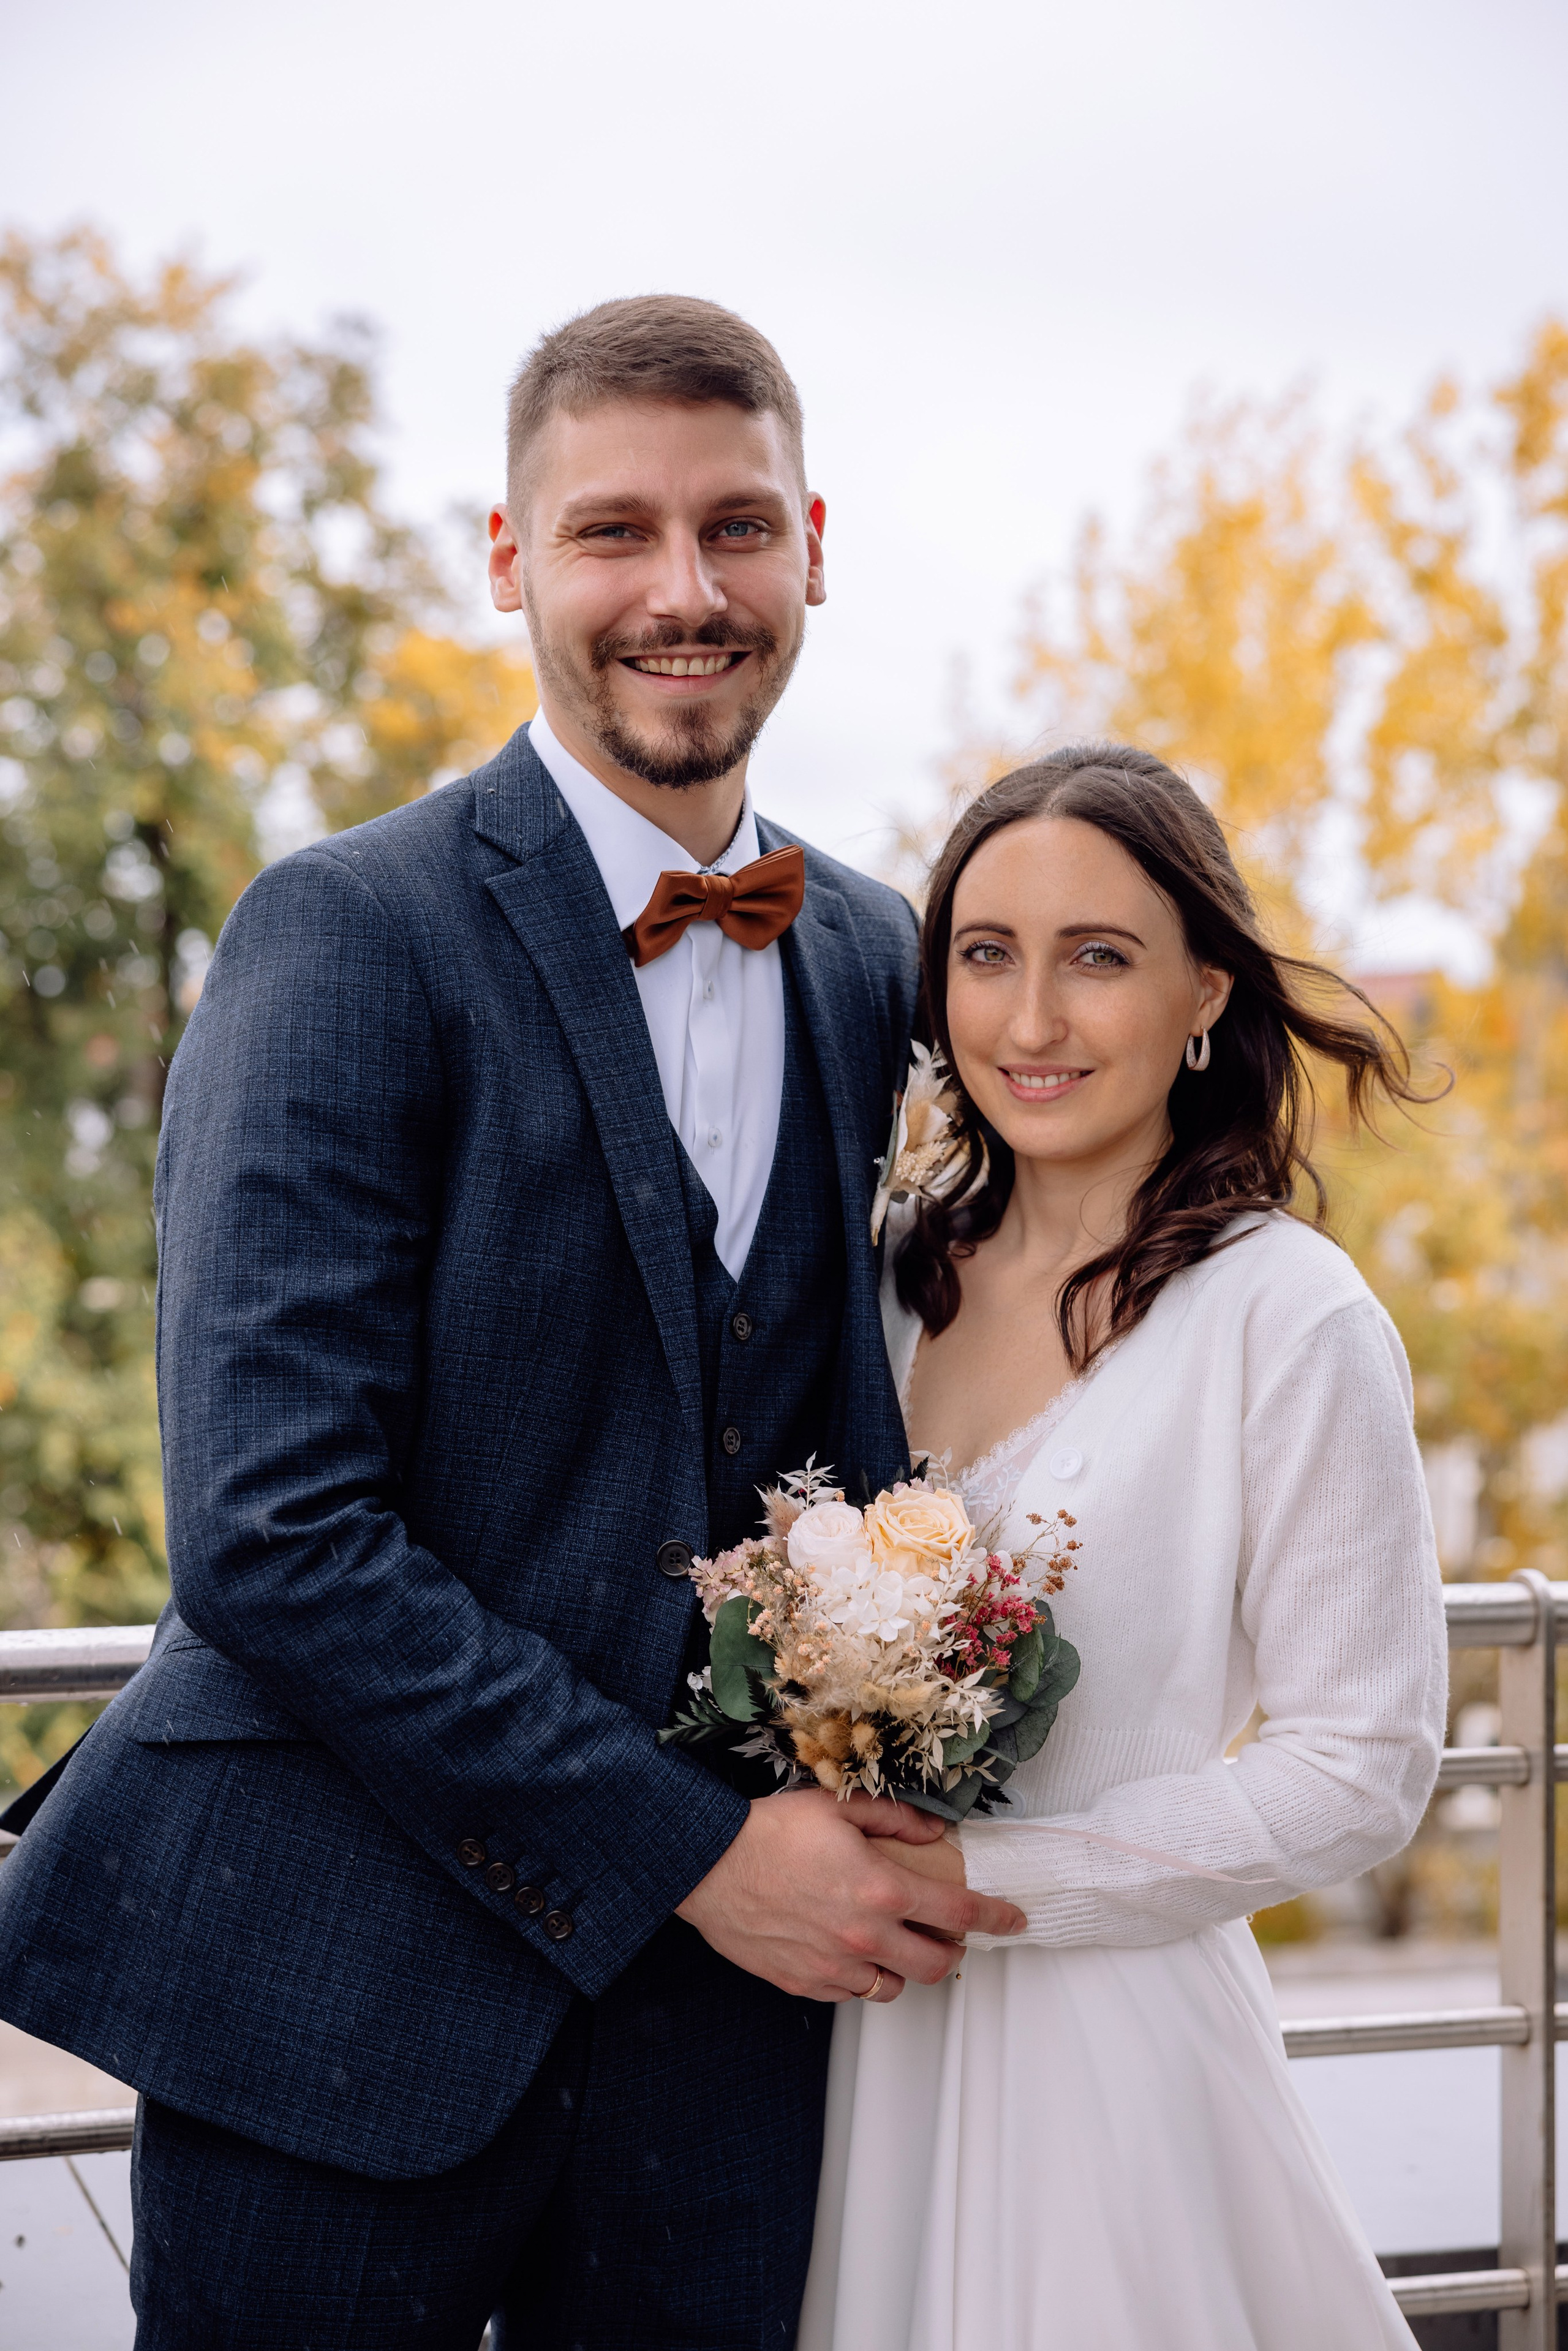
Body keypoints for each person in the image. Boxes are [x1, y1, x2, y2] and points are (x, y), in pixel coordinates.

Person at [0, 295, 1024, 2350]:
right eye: (611, 531)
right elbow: (274, 1536)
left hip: (730, 2056)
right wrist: (694, 1855)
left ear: (813, 548)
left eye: (737, 527)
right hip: (336, 2002)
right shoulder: (345, 931)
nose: (683, 591)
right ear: (509, 560)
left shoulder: (880, 957)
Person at [799, 745, 1448, 2351]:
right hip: (843, 2043)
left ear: (1204, 993)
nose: (1031, 1022)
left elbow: (1363, 1762)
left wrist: (999, 1880)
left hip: (1113, 2059)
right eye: (987, 956)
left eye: (1096, 958)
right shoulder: (882, 1281)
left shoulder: (1291, 1318)